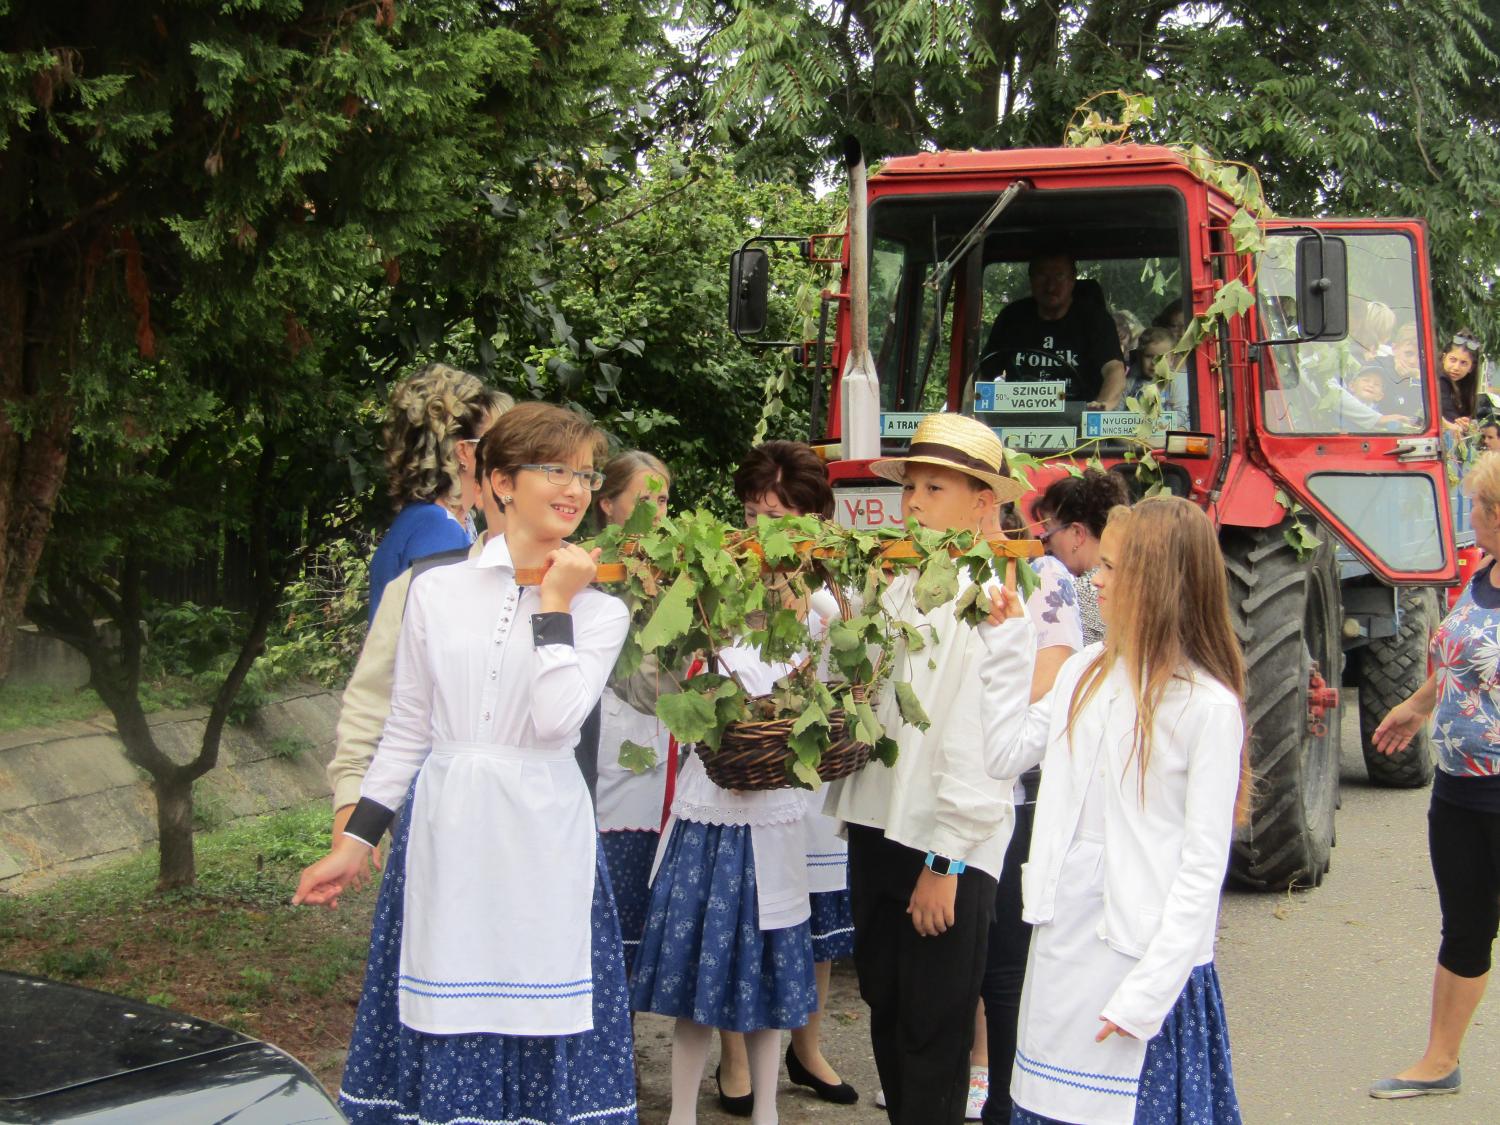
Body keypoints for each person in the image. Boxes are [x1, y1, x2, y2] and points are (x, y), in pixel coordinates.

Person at [294, 403, 637, 1125]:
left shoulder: (600, 610)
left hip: (544, 832)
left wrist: (554, 604)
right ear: (502, 481)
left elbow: (556, 719)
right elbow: (407, 730)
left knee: (542, 1011)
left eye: (585, 472)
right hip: (448, 830)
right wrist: (353, 841)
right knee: (447, 1011)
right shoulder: (435, 589)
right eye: (557, 470)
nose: (575, 487)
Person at [979, 496, 1248, 1125]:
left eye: (1111, 569)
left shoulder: (1205, 707)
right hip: (1062, 944)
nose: (1092, 579)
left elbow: (1202, 869)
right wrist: (1008, 643)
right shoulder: (1082, 674)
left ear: (1159, 583)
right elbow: (1002, 754)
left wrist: (1147, 995)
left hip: (1142, 962)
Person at [825, 412, 1031, 1125]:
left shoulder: (992, 597)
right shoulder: (900, 584)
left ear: (982, 502)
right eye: (910, 486)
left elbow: (978, 742)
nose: (912, 502)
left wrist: (945, 861)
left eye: (933, 487)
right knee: (886, 1002)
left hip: (946, 844)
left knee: (933, 1029)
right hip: (880, 824)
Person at [629, 440, 832, 1125]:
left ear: (811, 519)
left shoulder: (830, 604)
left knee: (773, 967)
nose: (760, 531)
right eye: (752, 513)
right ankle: (684, 1112)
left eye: (777, 515)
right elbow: (668, 670)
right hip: (709, 803)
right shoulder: (717, 582)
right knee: (697, 970)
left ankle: (769, 1109)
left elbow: (826, 696)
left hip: (776, 810)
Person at [1367, 451, 1500, 1100]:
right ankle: (1438, 1058)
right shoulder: (1486, 567)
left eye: (1477, 505)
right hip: (1458, 788)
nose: (1468, 515)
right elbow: (1454, 657)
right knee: (1466, 924)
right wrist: (1419, 706)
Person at [325, 397, 511, 861]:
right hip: (431, 787)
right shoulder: (440, 533)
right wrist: (354, 799)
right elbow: (390, 686)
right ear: (466, 454)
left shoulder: (447, 524)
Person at [971, 510, 1086, 1124]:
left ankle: (1005, 1101)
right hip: (962, 786)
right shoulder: (927, 570)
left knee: (1006, 960)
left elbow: (1049, 683)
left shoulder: (1044, 575)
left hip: (1016, 792)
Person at [593, 450, 674, 977]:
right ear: (608, 506)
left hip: (660, 761)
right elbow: (645, 684)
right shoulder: (593, 570)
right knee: (606, 919)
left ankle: (621, 1052)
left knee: (643, 921)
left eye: (664, 499)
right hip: (609, 763)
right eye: (644, 501)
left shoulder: (673, 568)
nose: (658, 512)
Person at [367, 364, 511, 620]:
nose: (511, 453)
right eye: (497, 442)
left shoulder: (441, 520)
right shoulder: (437, 529)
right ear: (464, 451)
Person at [980, 253, 1126, 408]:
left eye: (1059, 276)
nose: (1050, 287)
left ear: (1072, 280)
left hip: (1079, 423)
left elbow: (1114, 370)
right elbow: (982, 374)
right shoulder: (1012, 318)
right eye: (1042, 276)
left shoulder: (1095, 320)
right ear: (1031, 280)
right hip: (1015, 421)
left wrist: (1101, 408)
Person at [1030, 469, 1131, 647]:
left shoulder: (1071, 595)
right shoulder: (1134, 586)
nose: (1045, 543)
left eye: (1048, 531)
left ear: (1077, 533)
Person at [1439, 330, 1483, 434]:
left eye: (1463, 363)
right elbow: (1450, 419)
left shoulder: (1466, 388)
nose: (1456, 367)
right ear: (1444, 358)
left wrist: (1467, 424)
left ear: (1471, 368)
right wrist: (1458, 424)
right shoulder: (1440, 380)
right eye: (1453, 360)